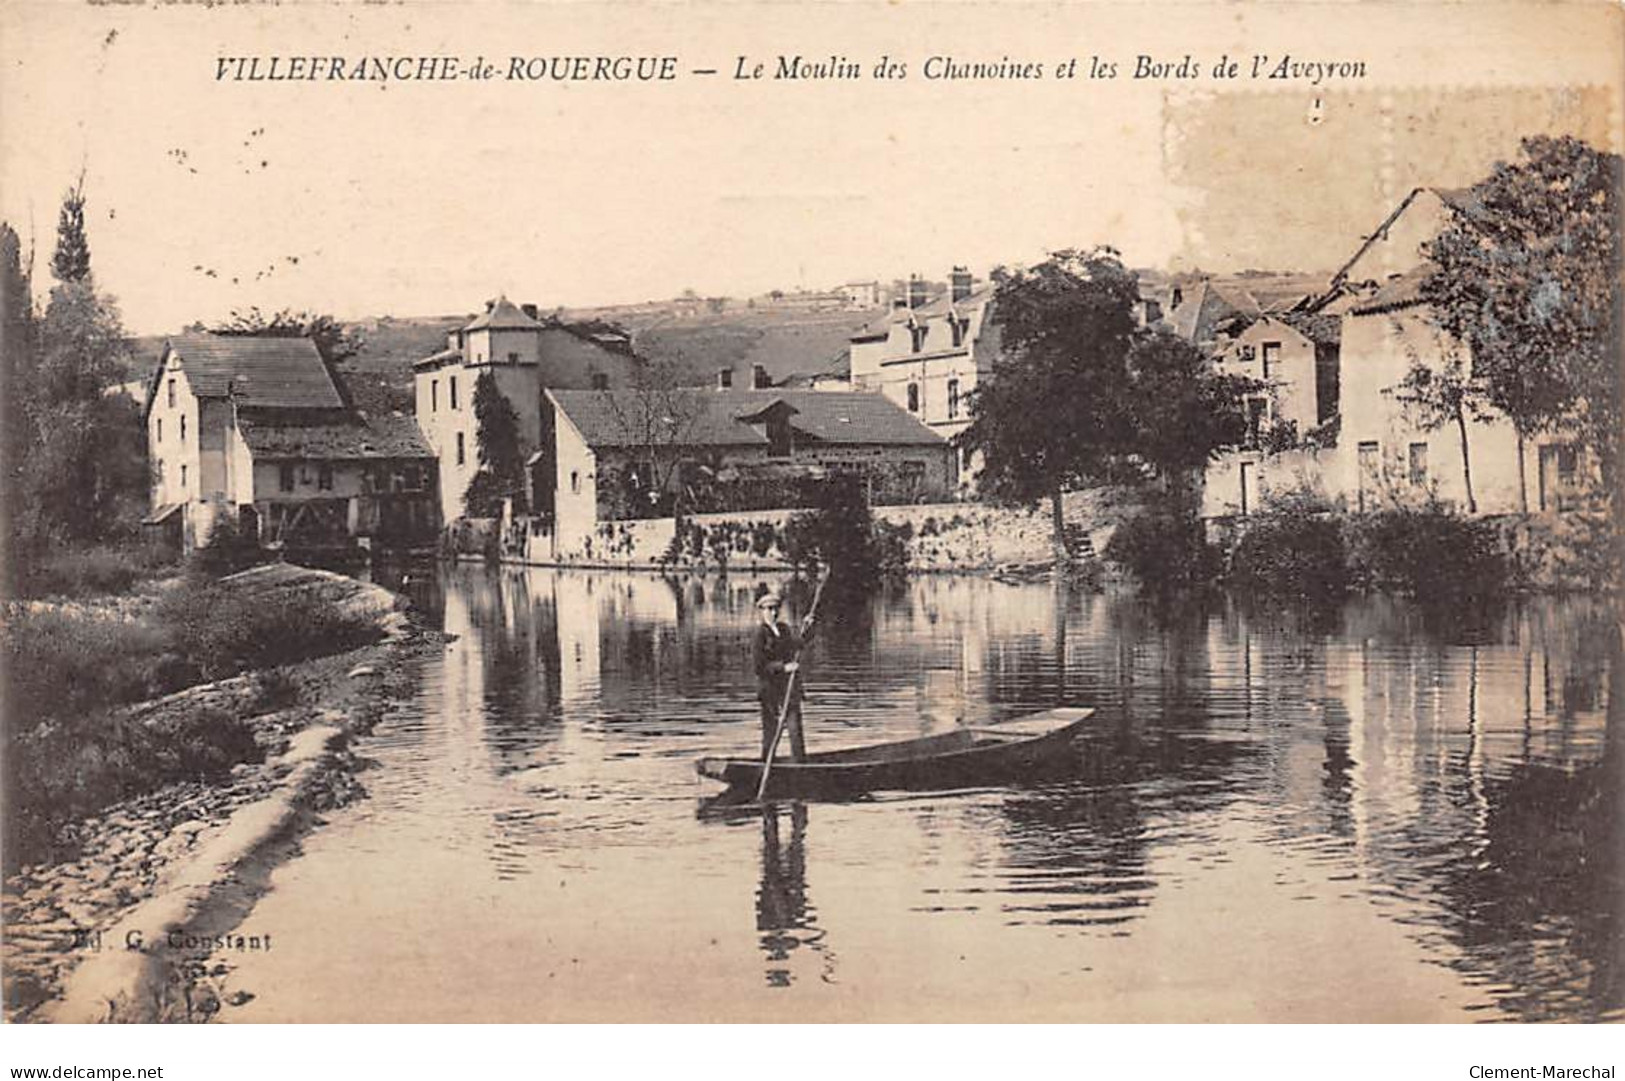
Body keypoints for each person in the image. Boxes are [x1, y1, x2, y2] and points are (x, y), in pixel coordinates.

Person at [752, 589, 814, 762]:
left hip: (788, 688)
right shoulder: (760, 635)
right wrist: (783, 667)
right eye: (769, 609)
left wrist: (808, 627)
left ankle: (800, 764)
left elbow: (799, 644)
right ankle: (766, 763)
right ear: (762, 611)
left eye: (776, 608)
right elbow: (759, 667)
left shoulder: (784, 629)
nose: (773, 612)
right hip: (770, 689)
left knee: (795, 728)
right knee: (770, 731)